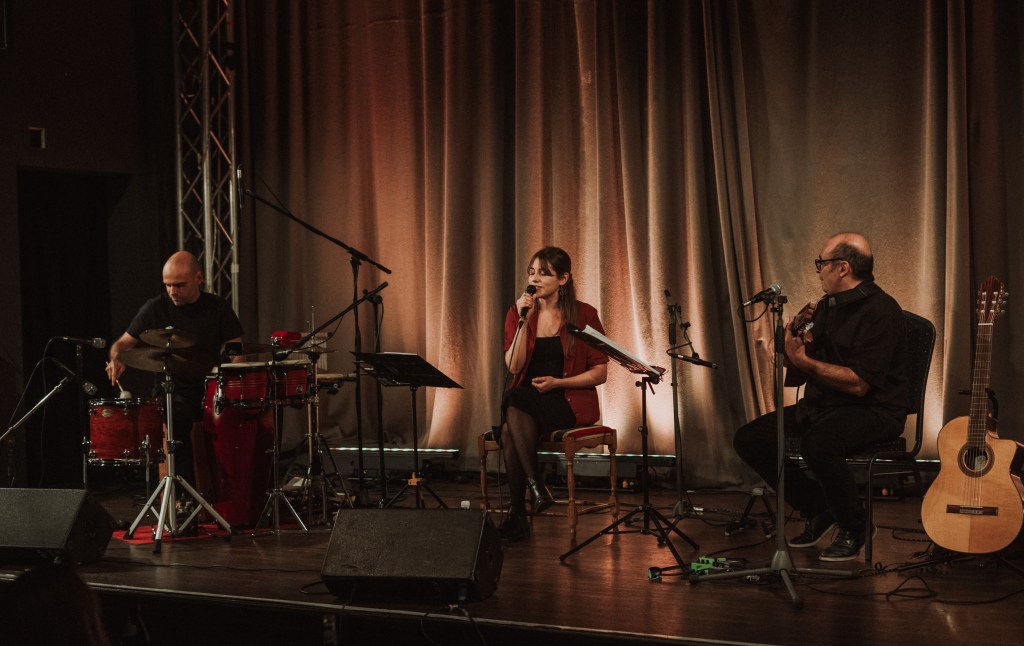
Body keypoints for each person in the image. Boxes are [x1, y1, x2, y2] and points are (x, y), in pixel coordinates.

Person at [733, 232, 909, 561]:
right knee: (750, 439)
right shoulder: (828, 307)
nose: (818, 271)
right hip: (825, 405)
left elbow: (859, 384)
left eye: (822, 263)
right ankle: (819, 508)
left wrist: (802, 361)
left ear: (842, 268)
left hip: (874, 410)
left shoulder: (881, 312)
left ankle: (854, 526)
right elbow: (806, 371)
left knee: (818, 444)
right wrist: (789, 352)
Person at [498, 247, 609, 541]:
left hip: (565, 401)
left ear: (563, 279)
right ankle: (533, 494)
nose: (535, 279)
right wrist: (523, 321)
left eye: (544, 273)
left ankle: (521, 510)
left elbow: (600, 372)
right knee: (511, 418)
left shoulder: (584, 314)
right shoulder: (518, 312)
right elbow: (514, 366)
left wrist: (558, 383)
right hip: (526, 404)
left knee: (512, 402)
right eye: (531, 272)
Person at [106, 251, 243, 486]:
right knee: (177, 414)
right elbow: (122, 344)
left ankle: (227, 491)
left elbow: (236, 349)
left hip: (209, 387)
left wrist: (228, 383)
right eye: (168, 285)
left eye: (179, 285)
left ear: (198, 278)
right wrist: (116, 357)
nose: (172, 291)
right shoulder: (156, 308)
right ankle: (182, 493)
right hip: (171, 389)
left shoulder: (217, 307)